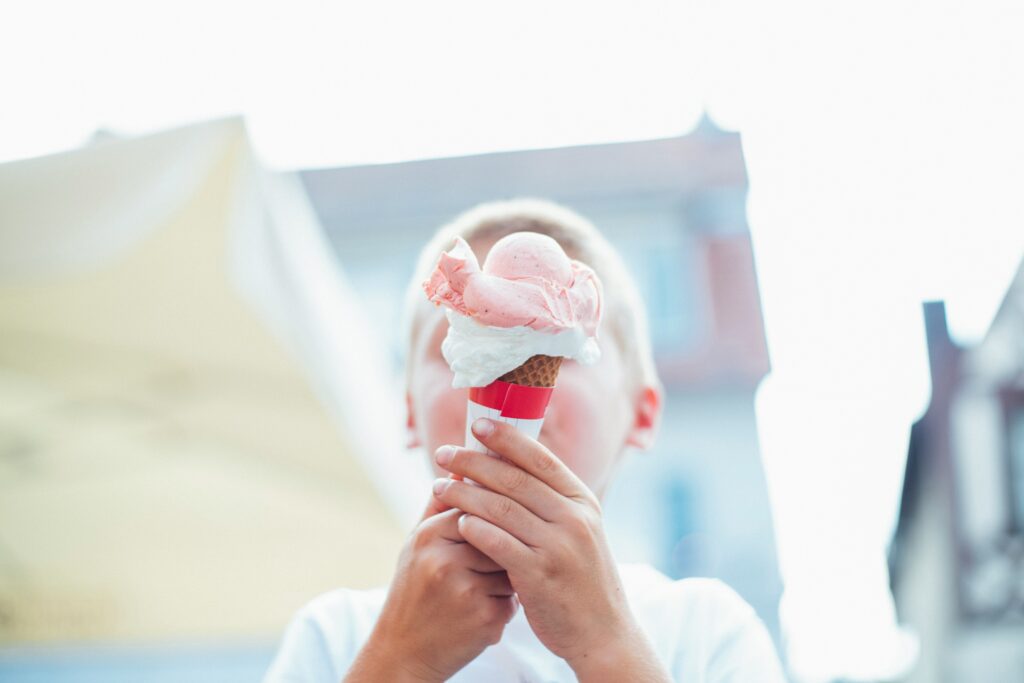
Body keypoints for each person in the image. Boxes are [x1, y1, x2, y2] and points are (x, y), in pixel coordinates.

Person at [265, 199, 786, 682]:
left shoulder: (706, 631)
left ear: (641, 415)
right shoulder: (335, 639)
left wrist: (607, 644)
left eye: (559, 351)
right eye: (457, 343)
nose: (505, 368)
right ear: (408, 413)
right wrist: (402, 660)